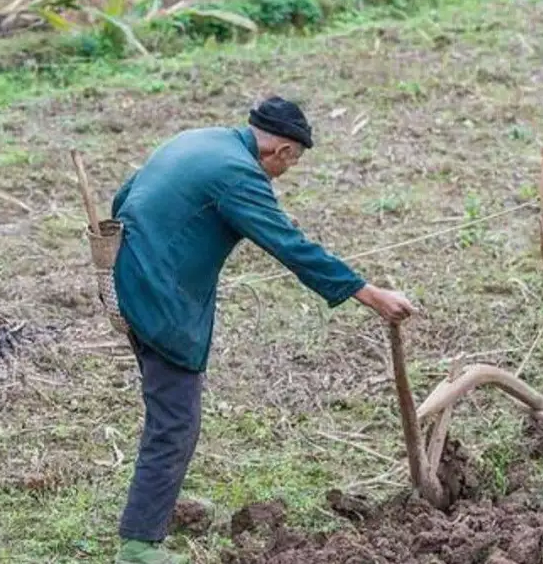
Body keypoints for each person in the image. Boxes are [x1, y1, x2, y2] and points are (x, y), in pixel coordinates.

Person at [108, 96, 417, 563]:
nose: (285, 171)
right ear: (284, 152)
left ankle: (157, 508)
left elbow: (124, 197)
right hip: (159, 298)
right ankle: (138, 545)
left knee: (169, 409)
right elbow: (290, 246)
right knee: (176, 419)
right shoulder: (238, 173)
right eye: (291, 162)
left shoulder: (202, 140)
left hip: (128, 279)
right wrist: (368, 293)